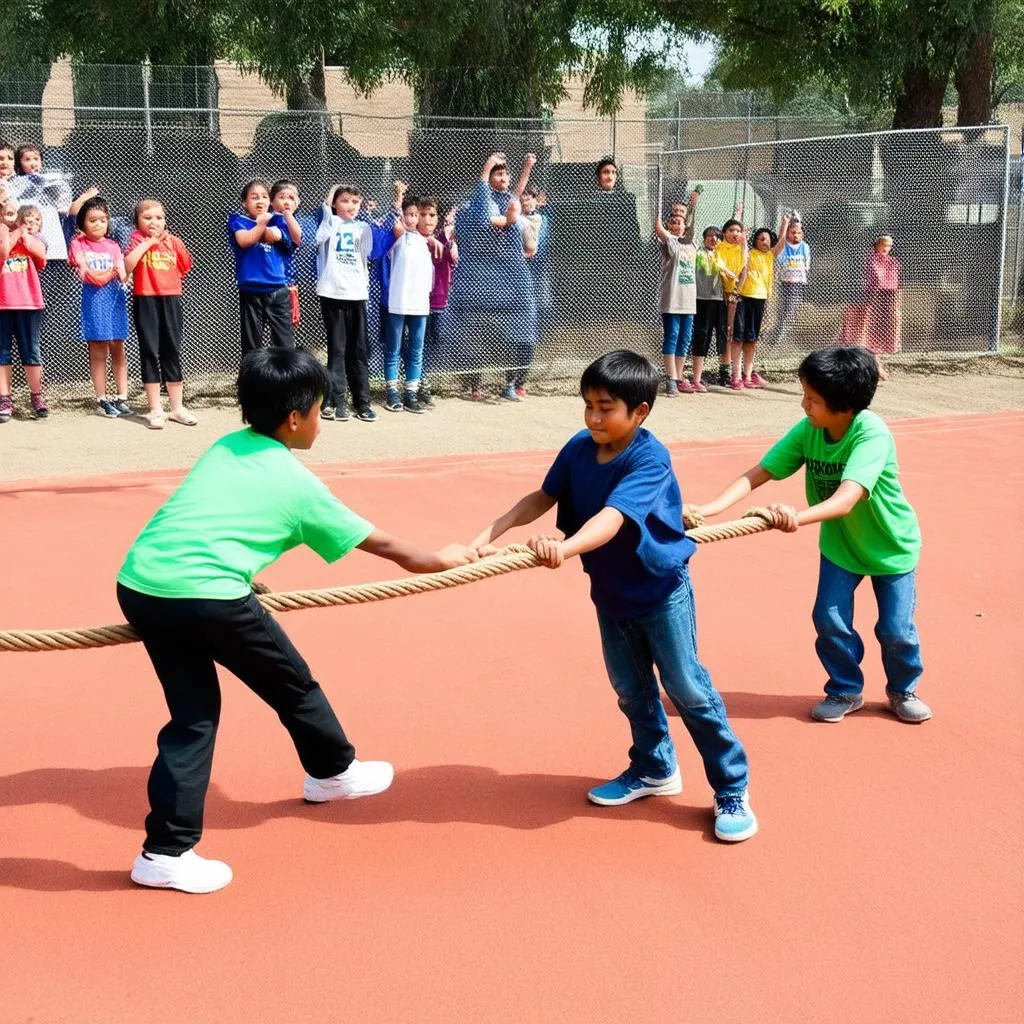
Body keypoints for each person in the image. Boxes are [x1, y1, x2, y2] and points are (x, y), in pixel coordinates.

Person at [117, 347, 479, 893]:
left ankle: (165, 850)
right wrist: (440, 557)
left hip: (143, 584)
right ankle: (333, 773)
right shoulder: (297, 483)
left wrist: (241, 573)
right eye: (318, 408)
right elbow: (381, 544)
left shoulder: (226, 446)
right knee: (293, 684)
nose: (320, 419)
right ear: (295, 418)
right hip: (208, 596)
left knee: (193, 719)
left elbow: (210, 522)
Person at [468, 350, 758, 842]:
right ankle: (653, 768)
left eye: (606, 408)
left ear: (639, 412)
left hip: (660, 589)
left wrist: (564, 546)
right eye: (588, 406)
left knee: (686, 688)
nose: (594, 417)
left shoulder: (649, 457)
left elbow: (612, 518)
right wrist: (487, 534)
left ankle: (732, 786)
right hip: (610, 592)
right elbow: (544, 496)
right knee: (630, 689)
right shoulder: (580, 447)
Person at [691, 346, 930, 725]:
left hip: (891, 548)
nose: (804, 405)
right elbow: (760, 472)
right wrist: (711, 509)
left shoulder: (872, 434)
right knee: (829, 618)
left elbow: (845, 500)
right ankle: (845, 689)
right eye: (804, 395)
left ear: (845, 407)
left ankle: (902, 689)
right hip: (841, 546)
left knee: (896, 630)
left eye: (812, 400)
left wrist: (794, 518)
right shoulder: (808, 431)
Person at [449, 153, 535, 401]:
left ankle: (509, 384)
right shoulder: (476, 204)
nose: (504, 178)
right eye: (499, 174)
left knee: (513, 336)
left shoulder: (509, 200)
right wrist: (487, 168)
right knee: (478, 335)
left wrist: (526, 168)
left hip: (508, 281)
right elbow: (493, 219)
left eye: (505, 173)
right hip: (482, 282)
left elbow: (516, 197)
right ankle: (475, 386)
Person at [315, 182, 399, 422]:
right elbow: (319, 238)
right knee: (337, 349)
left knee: (359, 350)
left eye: (354, 201)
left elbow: (375, 250)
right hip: (332, 293)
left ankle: (362, 402)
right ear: (333, 203)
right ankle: (335, 400)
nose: (350, 205)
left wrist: (393, 209)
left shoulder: (364, 227)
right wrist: (329, 198)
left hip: (357, 294)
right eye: (344, 201)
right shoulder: (329, 223)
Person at [123, 199, 197, 429]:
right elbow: (127, 266)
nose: (154, 222)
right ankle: (155, 409)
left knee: (172, 350)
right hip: (145, 299)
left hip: (171, 299)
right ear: (137, 222)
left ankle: (177, 408)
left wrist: (168, 242)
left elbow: (185, 267)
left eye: (159, 217)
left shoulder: (174, 241)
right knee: (149, 351)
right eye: (147, 218)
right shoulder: (136, 240)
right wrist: (151, 241)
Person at [68, 196, 131, 418]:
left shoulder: (113, 245)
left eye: (103, 220)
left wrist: (120, 269)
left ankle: (122, 396)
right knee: (98, 350)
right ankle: (101, 398)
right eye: (93, 220)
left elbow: (123, 276)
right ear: (83, 223)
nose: (98, 224)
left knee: (118, 347)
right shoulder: (78, 243)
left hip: (115, 302)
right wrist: (113, 271)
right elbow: (89, 276)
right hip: (94, 302)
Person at [227, 180, 295, 355]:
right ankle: (252, 381)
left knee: (284, 343)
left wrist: (280, 234)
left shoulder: (278, 221)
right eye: (254, 197)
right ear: (245, 203)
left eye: (264, 197)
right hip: (251, 290)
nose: (260, 201)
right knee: (252, 344)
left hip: (278, 289)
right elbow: (244, 240)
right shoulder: (238, 220)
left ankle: (286, 381)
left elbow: (292, 244)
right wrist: (262, 225)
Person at [383, 194, 434, 414]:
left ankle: (411, 392)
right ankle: (392, 392)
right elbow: (395, 223)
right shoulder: (397, 237)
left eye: (417, 215)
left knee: (416, 349)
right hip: (398, 302)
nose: (414, 219)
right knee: (393, 349)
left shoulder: (425, 242)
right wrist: (399, 197)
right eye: (410, 214)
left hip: (420, 305)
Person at [0, 204, 48, 420]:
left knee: (31, 351)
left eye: (36, 220)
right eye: (26, 219)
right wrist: (15, 231)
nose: (31, 224)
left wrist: (26, 234)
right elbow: (3, 253)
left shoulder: (37, 240)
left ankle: (37, 395)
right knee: (2, 352)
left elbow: (40, 254)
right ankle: (4, 397)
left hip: (29, 304)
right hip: (3, 304)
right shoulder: (6, 238)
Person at [732, 219, 789, 388]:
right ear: (755, 242)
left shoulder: (770, 255)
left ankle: (747, 375)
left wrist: (784, 226)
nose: (766, 242)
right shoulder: (750, 254)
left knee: (752, 339)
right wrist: (741, 224)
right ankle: (735, 375)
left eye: (768, 239)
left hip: (760, 299)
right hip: (744, 298)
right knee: (738, 337)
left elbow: (781, 245)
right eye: (761, 239)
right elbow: (742, 246)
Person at [654, 192, 699, 395]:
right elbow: (659, 229)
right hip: (672, 300)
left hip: (688, 301)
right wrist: (659, 210)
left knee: (685, 338)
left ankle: (679, 376)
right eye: (673, 222)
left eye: (680, 222)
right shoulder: (669, 243)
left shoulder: (691, 244)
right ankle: (671, 377)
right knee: (672, 335)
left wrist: (692, 206)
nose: (677, 225)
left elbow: (691, 225)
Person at [419, 195, 458, 407]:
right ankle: (419, 383)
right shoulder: (412, 238)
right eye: (423, 215)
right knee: (419, 343)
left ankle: (424, 377)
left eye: (432, 215)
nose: (427, 219)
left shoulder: (445, 237)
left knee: (436, 339)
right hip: (418, 302)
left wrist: (450, 239)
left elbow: (452, 258)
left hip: (439, 301)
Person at [693, 225, 730, 389]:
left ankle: (725, 374)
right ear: (703, 238)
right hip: (703, 299)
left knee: (722, 336)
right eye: (709, 236)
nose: (713, 239)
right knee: (702, 335)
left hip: (720, 299)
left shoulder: (722, 254)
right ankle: (696, 378)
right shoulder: (698, 253)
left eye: (716, 236)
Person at [860, 235, 900, 380]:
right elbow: (874, 280)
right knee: (868, 333)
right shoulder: (870, 260)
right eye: (883, 244)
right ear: (876, 245)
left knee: (881, 333)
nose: (885, 248)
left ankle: (875, 365)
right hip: (870, 299)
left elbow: (894, 283)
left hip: (886, 299)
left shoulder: (893, 262)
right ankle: (875, 366)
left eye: (888, 246)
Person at [715, 214, 746, 389]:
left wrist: (736, 290)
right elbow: (718, 263)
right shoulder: (720, 247)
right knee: (723, 331)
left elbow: (743, 266)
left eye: (738, 230)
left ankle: (732, 372)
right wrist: (726, 271)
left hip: (735, 295)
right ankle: (724, 370)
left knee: (731, 331)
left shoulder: (741, 249)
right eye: (731, 230)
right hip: (719, 294)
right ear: (724, 232)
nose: (735, 233)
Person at [269, 179, 304, 328]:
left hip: (287, 282)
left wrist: (288, 215)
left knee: (285, 329)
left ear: (298, 202)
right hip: (267, 279)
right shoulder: (267, 219)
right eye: (282, 197)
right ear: (271, 201)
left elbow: (297, 239)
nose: (287, 202)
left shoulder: (295, 222)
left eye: (291, 198)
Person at [774, 212, 810, 344]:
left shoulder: (805, 246)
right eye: (793, 232)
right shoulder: (784, 246)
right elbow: (780, 241)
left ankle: (782, 333)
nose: (796, 235)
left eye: (798, 233)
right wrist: (784, 224)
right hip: (785, 282)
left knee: (792, 308)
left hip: (798, 283)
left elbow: (807, 265)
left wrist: (797, 220)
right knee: (783, 308)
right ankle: (779, 332)